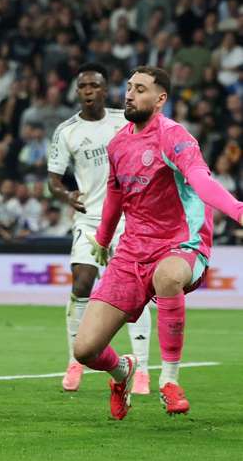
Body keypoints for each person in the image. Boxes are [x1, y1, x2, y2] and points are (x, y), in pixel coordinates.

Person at [73, 66, 243, 420]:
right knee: (85, 349)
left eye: (140, 89)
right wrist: (103, 241)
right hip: (133, 250)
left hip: (181, 244)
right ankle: (123, 371)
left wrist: (238, 211)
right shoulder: (118, 143)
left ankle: (169, 380)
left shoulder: (173, 136)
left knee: (167, 277)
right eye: (129, 88)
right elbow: (114, 200)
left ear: (160, 99)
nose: (129, 94)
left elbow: (201, 182)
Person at [48, 63, 153, 395]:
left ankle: (142, 370)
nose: (89, 91)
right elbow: (53, 180)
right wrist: (66, 194)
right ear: (78, 92)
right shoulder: (67, 131)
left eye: (95, 85)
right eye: (83, 87)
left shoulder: (124, 121)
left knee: (137, 293)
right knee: (82, 282)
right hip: (90, 218)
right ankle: (75, 360)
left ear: (105, 90)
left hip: (130, 219)